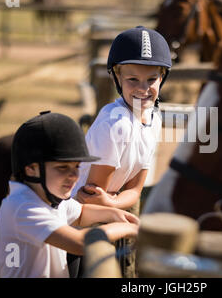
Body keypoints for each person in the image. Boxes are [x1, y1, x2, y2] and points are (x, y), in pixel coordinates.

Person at [70, 26, 172, 277]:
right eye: (132, 79)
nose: (143, 88)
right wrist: (113, 203)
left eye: (152, 79)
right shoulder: (114, 125)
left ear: (162, 78)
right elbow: (92, 198)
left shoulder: (154, 118)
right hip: (76, 224)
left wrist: (113, 202)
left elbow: (135, 190)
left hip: (109, 217)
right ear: (117, 77)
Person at [0, 111, 139, 278]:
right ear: (31, 169)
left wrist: (115, 214)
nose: (74, 176)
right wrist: (127, 228)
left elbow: (81, 213)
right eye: (62, 168)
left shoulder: (50, 197)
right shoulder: (23, 207)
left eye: (77, 167)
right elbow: (79, 243)